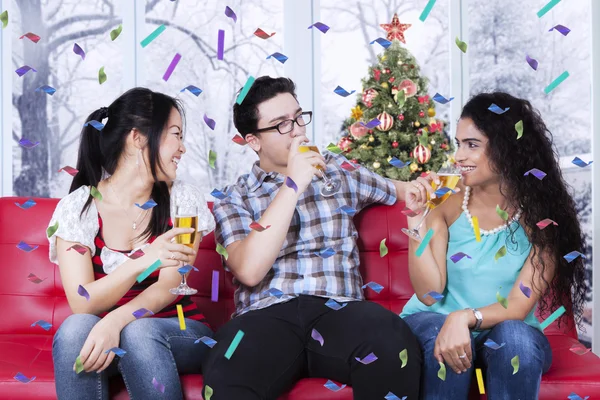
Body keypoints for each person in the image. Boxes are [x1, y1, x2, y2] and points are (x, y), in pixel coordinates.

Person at [202, 76, 423, 400]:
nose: (298, 131)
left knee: (391, 340)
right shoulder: (234, 197)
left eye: (298, 118)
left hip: (340, 310)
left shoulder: (339, 170)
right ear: (253, 141)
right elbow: (248, 270)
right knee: (225, 368)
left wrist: (429, 189)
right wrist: (292, 184)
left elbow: (402, 190)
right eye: (281, 125)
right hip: (265, 316)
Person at [400, 92, 587, 399]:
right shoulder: (445, 198)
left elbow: (518, 305)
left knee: (517, 342)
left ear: (507, 148)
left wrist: (464, 317)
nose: (458, 156)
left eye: (472, 145)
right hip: (433, 319)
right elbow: (430, 294)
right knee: (439, 335)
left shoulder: (543, 217)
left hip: (504, 326)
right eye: (458, 143)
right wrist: (416, 221)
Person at [49, 88, 215, 400]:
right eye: (176, 135)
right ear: (138, 138)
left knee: (138, 332)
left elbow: (169, 286)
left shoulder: (183, 200)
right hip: (105, 337)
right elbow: (83, 302)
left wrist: (115, 320)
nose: (182, 148)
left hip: (178, 330)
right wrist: (143, 259)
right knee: (74, 330)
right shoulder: (78, 209)